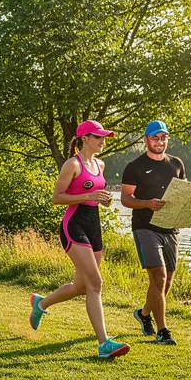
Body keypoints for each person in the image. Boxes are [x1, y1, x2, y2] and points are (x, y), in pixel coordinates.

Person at [30, 120, 128, 359]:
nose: (103, 141)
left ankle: (41, 304)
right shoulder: (72, 164)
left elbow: (94, 195)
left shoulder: (100, 164)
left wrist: (102, 199)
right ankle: (104, 344)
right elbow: (57, 198)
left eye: (104, 137)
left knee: (81, 286)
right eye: (98, 137)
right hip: (73, 226)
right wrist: (89, 195)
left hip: (94, 226)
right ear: (85, 138)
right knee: (95, 282)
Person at [120, 120, 191, 345]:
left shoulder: (176, 163)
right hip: (145, 227)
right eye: (155, 138)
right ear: (146, 140)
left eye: (163, 138)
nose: (160, 142)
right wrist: (146, 203)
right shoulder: (134, 167)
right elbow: (125, 199)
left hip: (171, 228)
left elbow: (185, 193)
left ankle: (143, 315)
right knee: (158, 277)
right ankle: (163, 331)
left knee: (167, 280)